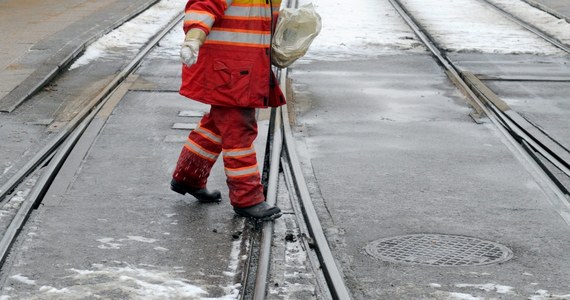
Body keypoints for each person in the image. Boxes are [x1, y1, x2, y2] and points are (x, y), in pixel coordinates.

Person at [170, 0, 285, 221]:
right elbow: (203, 4)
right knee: (239, 129)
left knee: (217, 125)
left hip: (242, 65)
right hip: (228, 67)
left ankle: (189, 176)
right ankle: (247, 199)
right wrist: (194, 37)